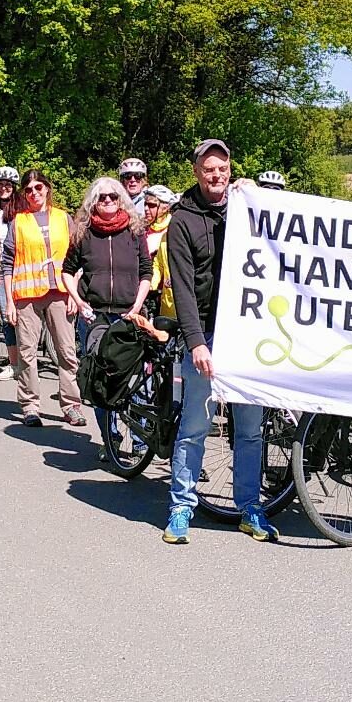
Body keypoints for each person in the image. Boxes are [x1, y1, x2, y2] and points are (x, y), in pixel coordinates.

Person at [162, 138, 273, 544]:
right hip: (205, 334)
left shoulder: (245, 211)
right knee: (196, 425)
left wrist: (256, 198)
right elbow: (184, 289)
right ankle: (180, 507)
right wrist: (196, 343)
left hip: (246, 335)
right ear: (196, 172)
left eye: (223, 169)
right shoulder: (182, 222)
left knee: (249, 429)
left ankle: (250, 507)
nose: (217, 176)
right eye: (209, 169)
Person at [62, 176, 152, 448]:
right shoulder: (83, 232)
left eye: (113, 196)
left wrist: (137, 305)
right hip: (96, 315)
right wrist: (78, 301)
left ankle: (139, 439)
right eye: (102, 197)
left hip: (130, 314)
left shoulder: (135, 231)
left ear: (121, 198)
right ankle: (109, 441)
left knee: (135, 379)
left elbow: (146, 271)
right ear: (94, 202)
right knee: (100, 382)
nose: (108, 201)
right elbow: (67, 270)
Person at [1, 169, 85, 428]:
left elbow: (79, 257)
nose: (34, 193)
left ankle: (71, 405)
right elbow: (7, 263)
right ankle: (30, 406)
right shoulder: (19, 222)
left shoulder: (63, 218)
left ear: (47, 188)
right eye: (28, 189)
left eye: (38, 187)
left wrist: (76, 292)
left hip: (60, 292)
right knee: (27, 353)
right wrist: (10, 303)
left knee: (67, 351)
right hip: (26, 295)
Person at [0, 167, 20, 380]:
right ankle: (14, 363)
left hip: (19, 265)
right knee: (8, 315)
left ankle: (26, 361)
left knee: (25, 315)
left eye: (8, 185)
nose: (4, 188)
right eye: (0, 184)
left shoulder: (21, 209)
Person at [143, 184, 179, 320]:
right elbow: (157, 264)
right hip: (151, 296)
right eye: (145, 204)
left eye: (152, 206)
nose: (146, 209)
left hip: (171, 298)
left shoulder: (173, 228)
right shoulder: (143, 229)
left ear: (165, 207)